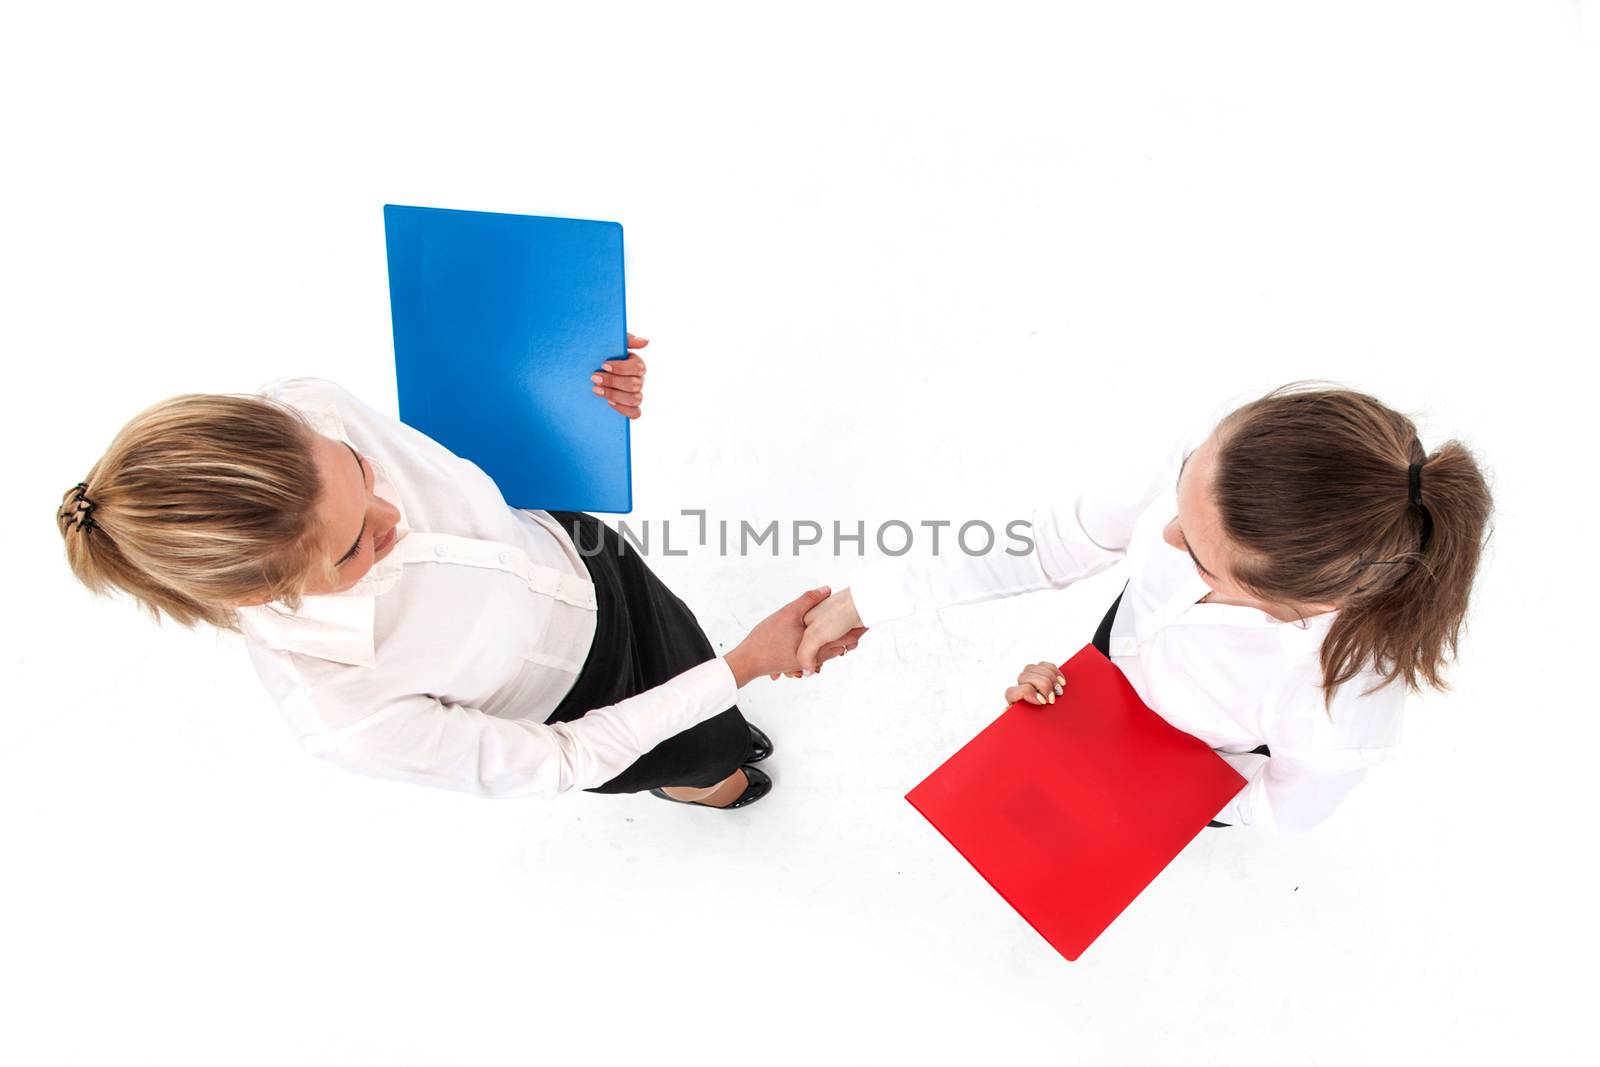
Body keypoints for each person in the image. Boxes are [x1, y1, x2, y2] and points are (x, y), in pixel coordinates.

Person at [57, 335, 864, 809]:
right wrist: (747, 663)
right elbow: (564, 758)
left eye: (361, 471)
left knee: (682, 642)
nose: (393, 521)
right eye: (353, 549)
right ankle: (702, 780)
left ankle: (709, 735)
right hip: (582, 700)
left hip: (577, 553)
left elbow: (453, 436)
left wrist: (583, 390)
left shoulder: (312, 404)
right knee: (702, 757)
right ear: (257, 593)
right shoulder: (342, 709)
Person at [796, 382, 1493, 832]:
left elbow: (1280, 806)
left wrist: (1147, 788)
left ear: (1307, 597)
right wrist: (871, 598)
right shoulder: (1221, 467)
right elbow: (1055, 540)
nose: (1159, 536)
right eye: (1182, 496)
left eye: (1194, 551)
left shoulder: (1342, 706)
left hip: (1201, 759)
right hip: (1116, 661)